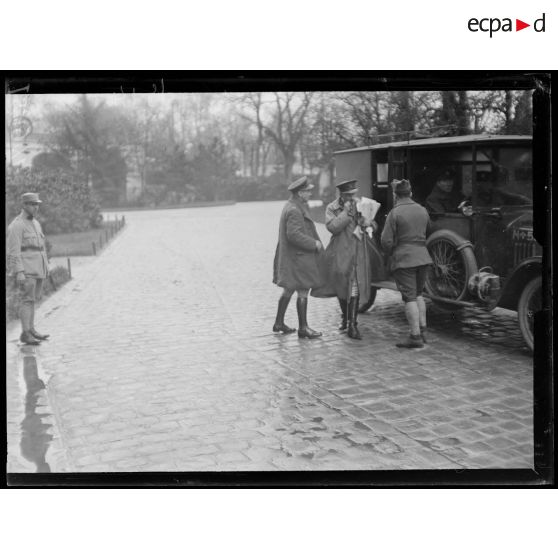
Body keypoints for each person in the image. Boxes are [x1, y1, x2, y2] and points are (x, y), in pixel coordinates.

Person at [319, 179, 377, 340]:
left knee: (355, 287)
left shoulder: (361, 204)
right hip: (340, 251)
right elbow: (332, 227)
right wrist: (345, 213)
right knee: (341, 285)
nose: (352, 198)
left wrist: (368, 222)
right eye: (348, 195)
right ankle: (345, 317)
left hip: (358, 251)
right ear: (341, 194)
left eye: (353, 194)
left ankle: (353, 324)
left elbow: (374, 226)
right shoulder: (332, 207)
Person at [381, 179, 432, 349]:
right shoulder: (422, 210)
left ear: (395, 195)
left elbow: (385, 241)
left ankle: (415, 336)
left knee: (409, 298)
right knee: (418, 294)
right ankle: (423, 331)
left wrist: (391, 253)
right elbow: (428, 229)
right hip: (423, 257)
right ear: (411, 193)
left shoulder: (394, 213)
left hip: (404, 259)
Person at [272, 176, 324, 339]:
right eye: (308, 191)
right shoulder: (294, 210)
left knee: (289, 288)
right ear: (300, 193)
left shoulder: (291, 205)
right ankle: (304, 328)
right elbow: (294, 235)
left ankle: (279, 323)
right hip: (298, 257)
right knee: (303, 289)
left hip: (292, 256)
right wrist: (314, 243)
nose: (310, 193)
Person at [7, 192, 50, 346]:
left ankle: (31, 329)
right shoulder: (16, 226)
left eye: (37, 204)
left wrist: (46, 267)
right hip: (26, 271)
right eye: (32, 204)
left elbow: (41, 248)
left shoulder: (36, 223)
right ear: (24, 205)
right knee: (26, 300)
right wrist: (19, 272)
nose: (36, 207)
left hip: (38, 269)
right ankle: (25, 333)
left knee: (33, 300)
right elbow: (14, 252)